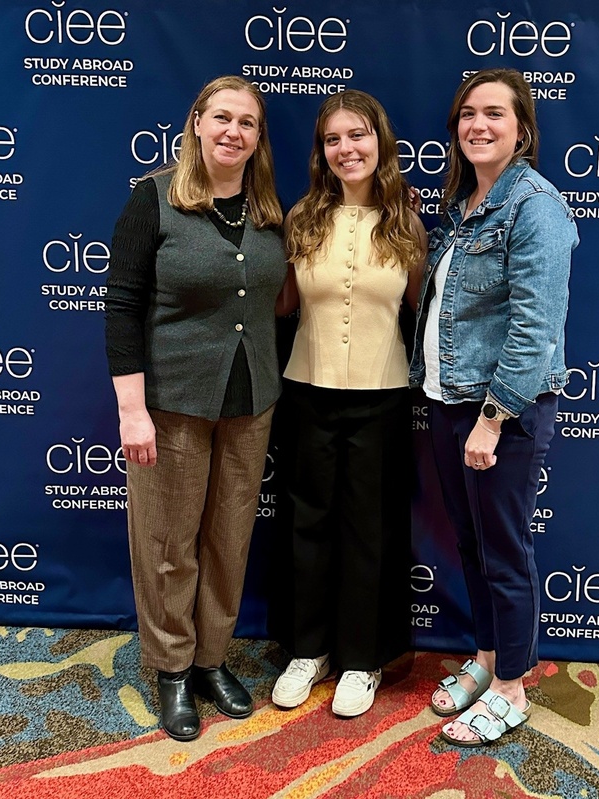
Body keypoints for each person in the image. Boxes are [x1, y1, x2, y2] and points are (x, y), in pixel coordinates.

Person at [104, 75, 286, 741]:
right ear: (198, 124)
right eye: (223, 118)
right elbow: (122, 306)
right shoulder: (151, 199)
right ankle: (172, 668)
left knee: (228, 541)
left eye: (248, 122)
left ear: (258, 137)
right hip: (172, 404)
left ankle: (211, 659)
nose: (234, 131)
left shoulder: (270, 211)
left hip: (251, 403)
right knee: (168, 543)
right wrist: (132, 409)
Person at [409, 68, 578, 746]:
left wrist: (493, 416)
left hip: (499, 412)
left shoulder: (534, 204)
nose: (478, 124)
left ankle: (511, 688)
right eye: (468, 114)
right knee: (473, 545)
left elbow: (536, 324)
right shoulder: (465, 204)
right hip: (451, 402)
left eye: (495, 114)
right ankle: (485, 660)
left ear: (522, 129)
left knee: (504, 552)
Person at [270, 90, 426, 717]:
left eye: (357, 135)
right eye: (333, 139)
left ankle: (362, 659)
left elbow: (422, 313)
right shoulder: (301, 217)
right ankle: (309, 652)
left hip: (382, 397)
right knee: (306, 524)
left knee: (370, 529)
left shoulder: (406, 222)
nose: (346, 149)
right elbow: (280, 305)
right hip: (306, 391)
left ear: (379, 142)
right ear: (322, 151)